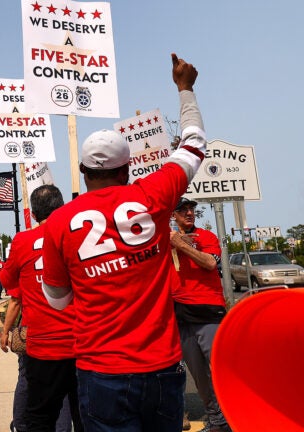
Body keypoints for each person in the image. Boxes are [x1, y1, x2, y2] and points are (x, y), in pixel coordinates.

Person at [41, 53, 204, 431]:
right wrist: (185, 89)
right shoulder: (153, 194)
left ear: (82, 171)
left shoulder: (59, 222)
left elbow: (57, 298)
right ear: (127, 167)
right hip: (162, 365)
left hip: (101, 370)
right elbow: (194, 144)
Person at [1, 185, 82, 432]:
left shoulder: (22, 241)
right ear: (63, 208)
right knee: (87, 416)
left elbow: (8, 282)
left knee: (41, 417)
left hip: (43, 346)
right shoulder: (79, 235)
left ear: (34, 215)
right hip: (84, 342)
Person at [170, 197, 231, 432]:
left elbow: (210, 262)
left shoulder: (206, 237)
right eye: (182, 209)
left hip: (208, 311)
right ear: (172, 215)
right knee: (198, 374)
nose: (189, 213)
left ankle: (237, 411)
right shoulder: (164, 240)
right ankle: (217, 419)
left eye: (191, 209)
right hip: (180, 314)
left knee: (222, 368)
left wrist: (182, 245)